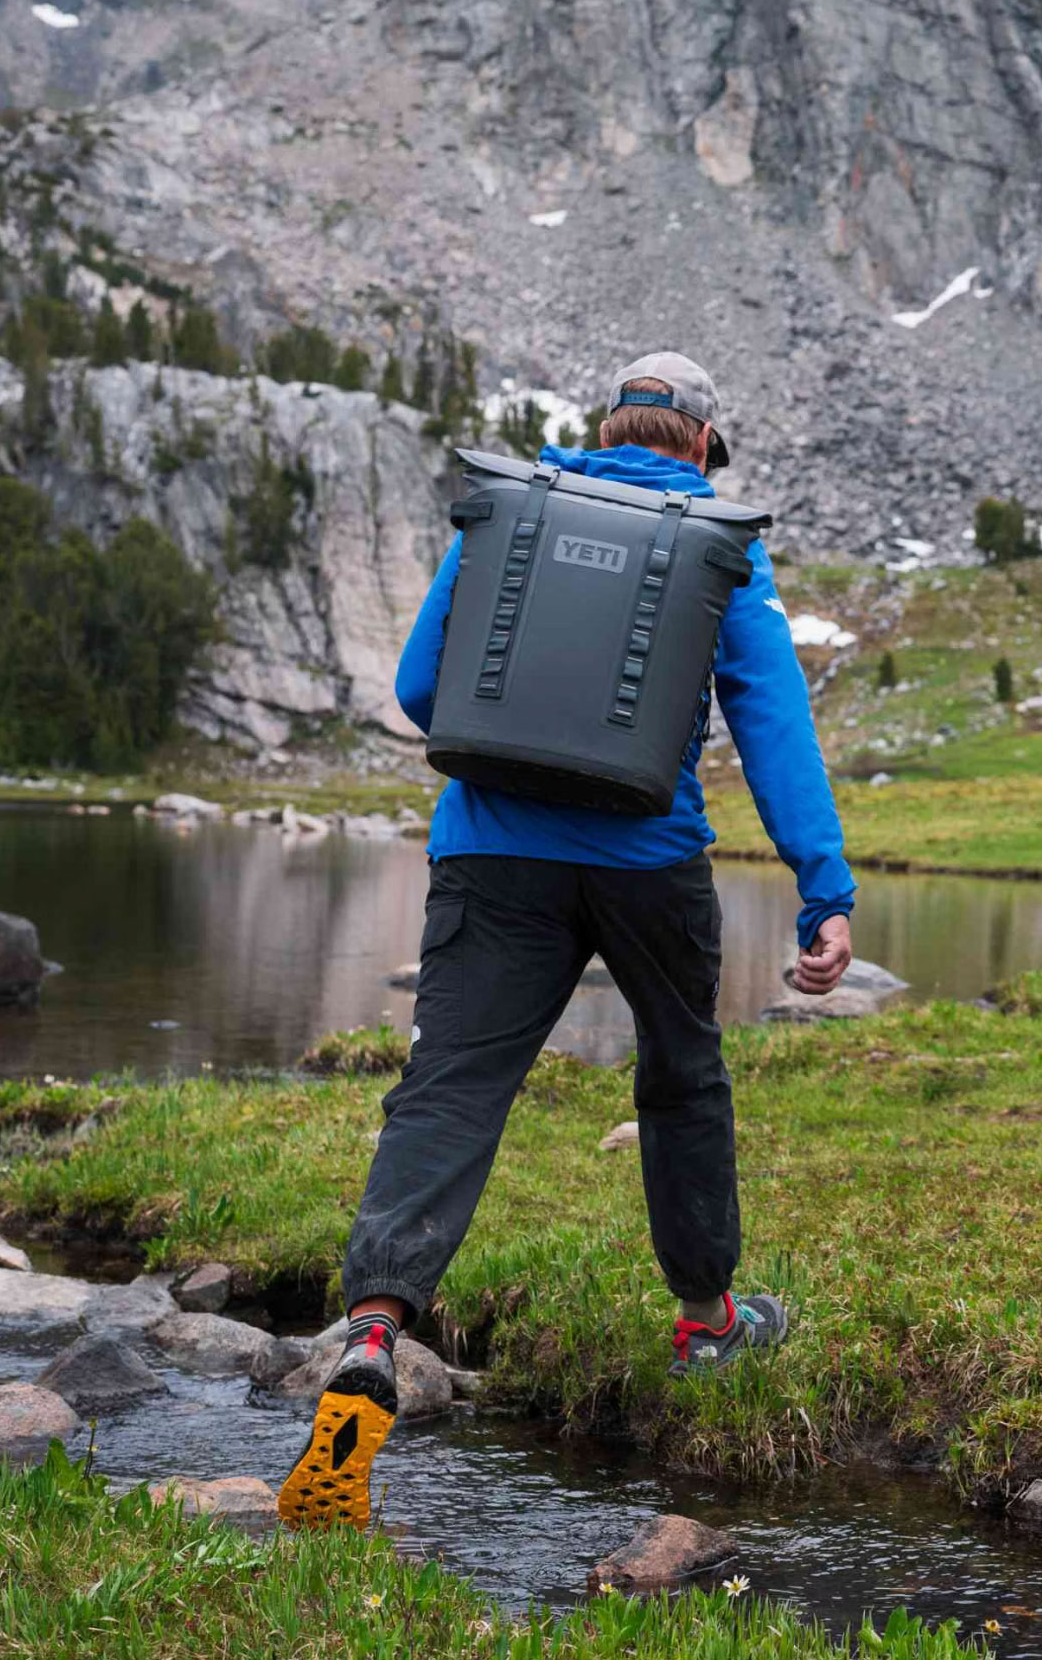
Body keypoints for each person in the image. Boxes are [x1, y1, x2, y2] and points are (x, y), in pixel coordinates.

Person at [278, 351, 856, 1531]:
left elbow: (423, 685)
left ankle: (376, 1331)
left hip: (492, 855)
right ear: (700, 442)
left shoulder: (514, 509)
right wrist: (821, 885)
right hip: (648, 864)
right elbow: (771, 719)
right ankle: (706, 1323)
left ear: (607, 427)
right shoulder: (718, 541)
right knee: (682, 1078)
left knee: (446, 1090)